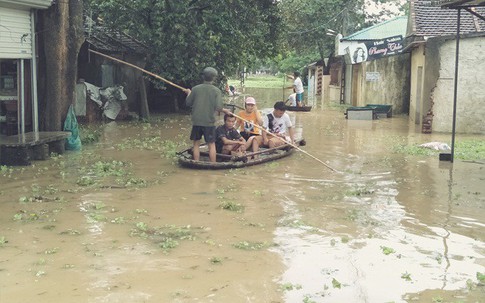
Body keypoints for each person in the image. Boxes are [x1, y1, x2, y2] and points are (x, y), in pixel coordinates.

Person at [185, 67, 231, 162]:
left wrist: (189, 93)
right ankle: (213, 164)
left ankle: (196, 162)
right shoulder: (216, 90)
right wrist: (225, 110)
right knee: (211, 144)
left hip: (197, 121)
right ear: (214, 78)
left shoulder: (195, 89)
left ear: (203, 76)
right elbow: (218, 107)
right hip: (209, 122)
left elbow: (188, 103)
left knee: (196, 144)